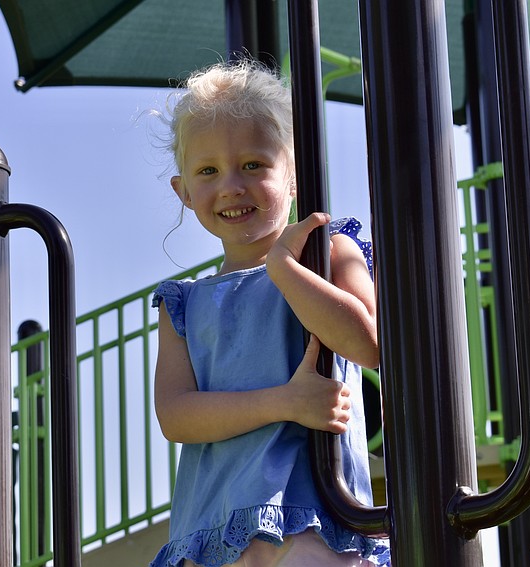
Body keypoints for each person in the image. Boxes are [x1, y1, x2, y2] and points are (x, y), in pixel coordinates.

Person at [149, 59, 390, 567]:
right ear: (184, 192)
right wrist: (286, 402)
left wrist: (284, 269)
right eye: (208, 171)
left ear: (294, 173)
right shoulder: (184, 304)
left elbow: (367, 343)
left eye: (254, 165)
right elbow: (176, 415)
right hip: (213, 532)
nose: (232, 185)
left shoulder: (327, 253)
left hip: (314, 521)